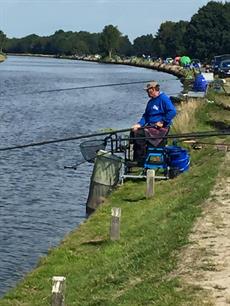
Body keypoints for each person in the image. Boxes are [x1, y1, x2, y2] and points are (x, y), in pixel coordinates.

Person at [131, 81, 177, 165]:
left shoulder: (163, 98)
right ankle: (135, 157)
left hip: (160, 129)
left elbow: (172, 111)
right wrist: (139, 124)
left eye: (148, 90)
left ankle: (141, 159)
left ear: (153, 89)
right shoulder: (150, 102)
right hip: (150, 127)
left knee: (139, 134)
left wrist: (163, 122)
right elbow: (145, 116)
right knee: (133, 131)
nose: (147, 92)